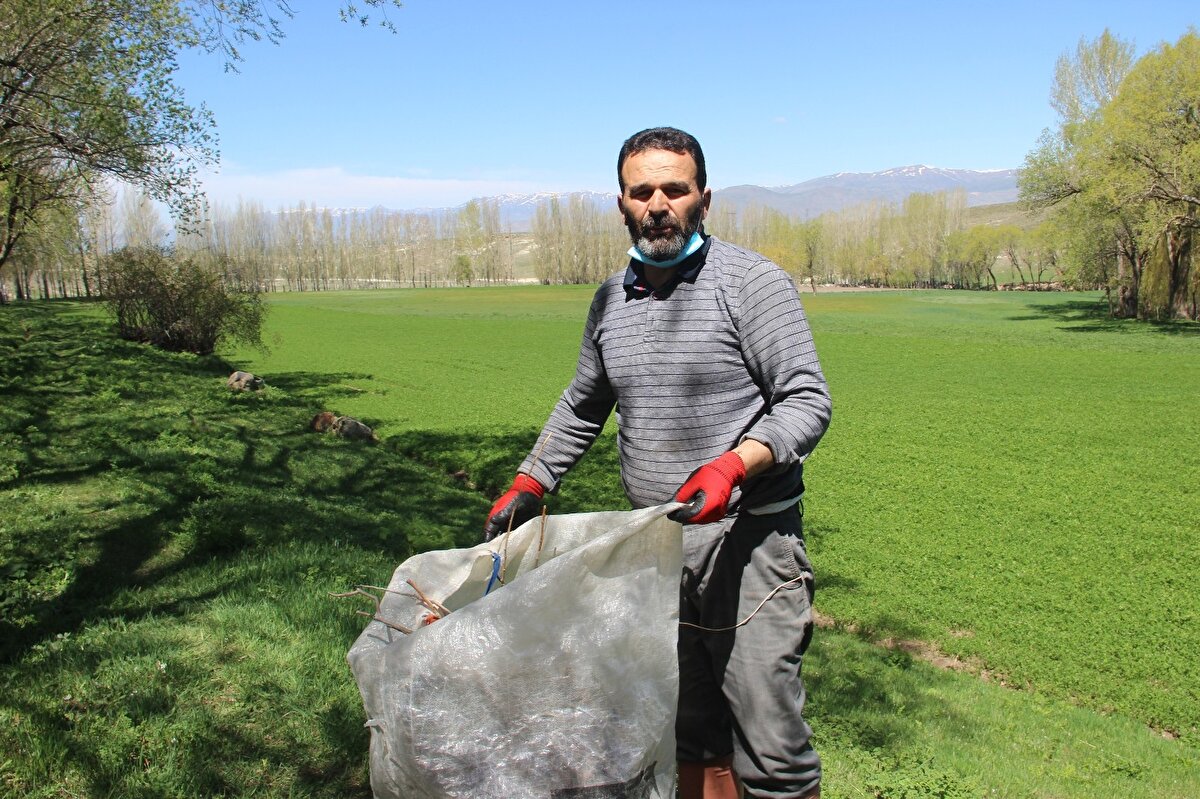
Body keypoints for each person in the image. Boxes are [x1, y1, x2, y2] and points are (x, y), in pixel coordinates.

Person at [483, 127, 831, 799]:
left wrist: (733, 465)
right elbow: (584, 403)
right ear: (622, 204)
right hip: (658, 544)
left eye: (675, 188)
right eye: (642, 192)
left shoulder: (751, 283)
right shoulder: (611, 300)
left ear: (705, 199)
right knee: (688, 727)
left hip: (749, 544)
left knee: (771, 740)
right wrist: (531, 480)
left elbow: (807, 399)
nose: (659, 205)